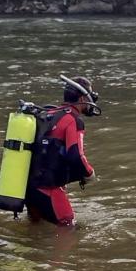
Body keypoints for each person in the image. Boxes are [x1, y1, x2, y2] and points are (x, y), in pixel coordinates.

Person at [25, 75, 99, 226]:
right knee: (68, 228)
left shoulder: (48, 114)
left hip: (28, 188)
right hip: (48, 189)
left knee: (34, 230)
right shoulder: (73, 120)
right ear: (84, 99)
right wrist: (89, 173)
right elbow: (76, 156)